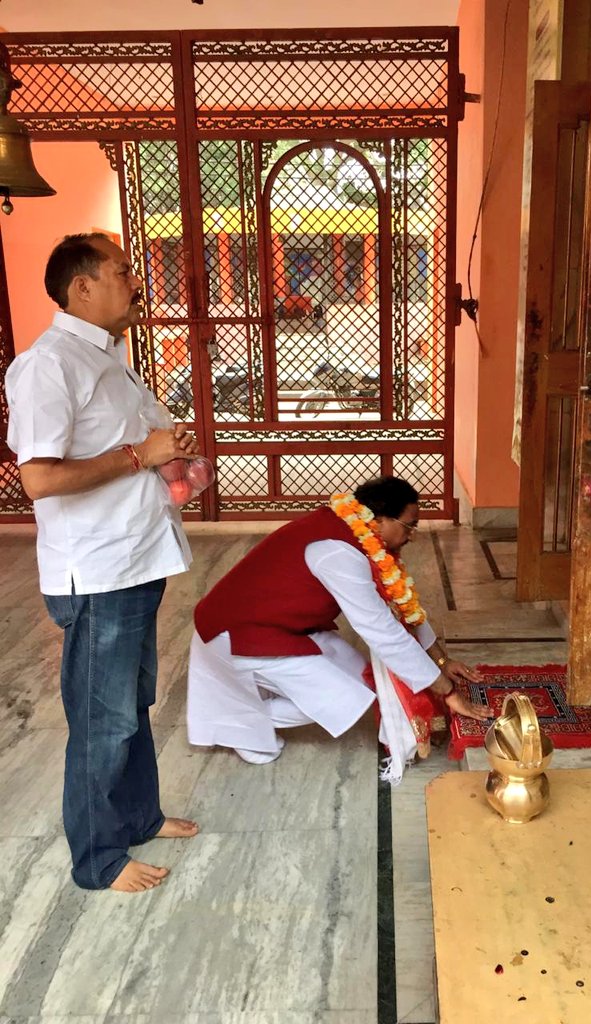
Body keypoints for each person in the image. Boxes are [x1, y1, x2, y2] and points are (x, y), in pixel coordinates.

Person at [6, 233, 200, 893]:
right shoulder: (48, 366)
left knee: (133, 704)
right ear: (81, 287)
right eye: (122, 271)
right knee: (102, 719)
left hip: (135, 560)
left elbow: (143, 447)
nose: (136, 282)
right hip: (95, 573)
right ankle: (98, 860)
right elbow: (38, 479)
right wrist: (139, 457)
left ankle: (140, 816)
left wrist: (169, 455)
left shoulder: (109, 358)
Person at [187, 476, 489, 773]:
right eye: (409, 526)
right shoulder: (339, 552)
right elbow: (381, 631)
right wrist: (447, 691)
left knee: (364, 679)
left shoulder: (363, 536)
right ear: (380, 520)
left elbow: (403, 607)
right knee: (345, 699)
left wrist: (440, 659)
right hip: (236, 635)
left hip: (277, 625)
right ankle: (239, 722)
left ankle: (241, 711)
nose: (412, 535)